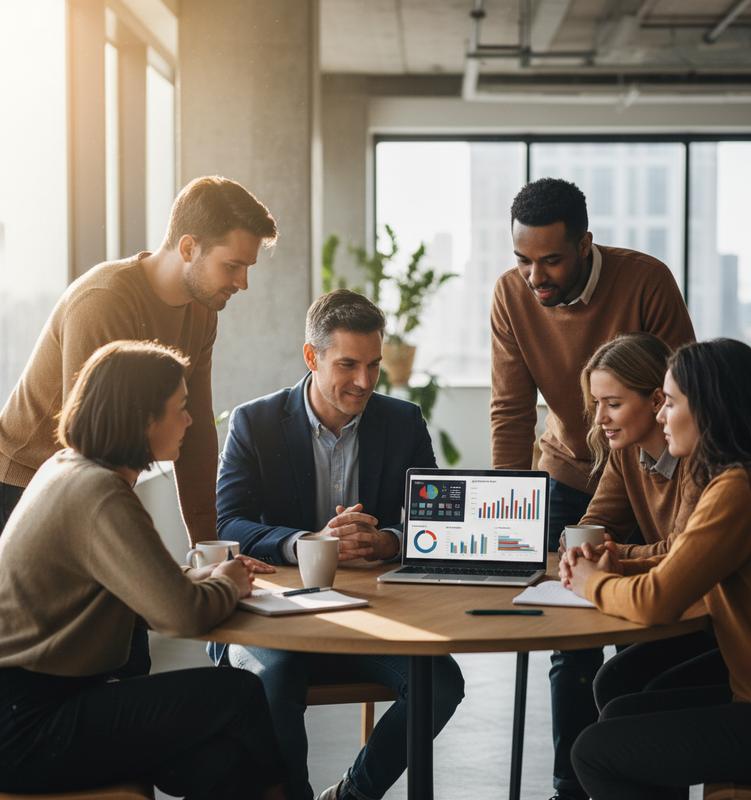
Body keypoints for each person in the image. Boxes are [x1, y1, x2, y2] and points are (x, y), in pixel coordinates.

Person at [0, 340, 286, 799]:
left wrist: (203, 578)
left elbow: (135, 581)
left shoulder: (68, 468)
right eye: (181, 408)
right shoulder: (100, 493)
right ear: (143, 418)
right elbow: (180, 616)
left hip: (30, 709)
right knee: (238, 692)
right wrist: (228, 583)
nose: (190, 421)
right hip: (30, 726)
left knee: (213, 764)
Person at [215, 289, 464, 800]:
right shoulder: (254, 423)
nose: (365, 381)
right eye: (348, 364)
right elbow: (229, 524)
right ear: (312, 356)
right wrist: (310, 543)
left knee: (441, 684)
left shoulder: (402, 421)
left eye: (373, 364)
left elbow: (436, 522)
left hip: (371, 616)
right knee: (276, 677)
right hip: (272, 617)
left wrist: (387, 542)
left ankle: (353, 795)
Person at [490, 177, 695, 799]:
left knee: (662, 607)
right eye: (523, 260)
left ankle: (638, 755)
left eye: (550, 260)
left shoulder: (645, 280)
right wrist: (510, 519)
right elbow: (510, 411)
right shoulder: (511, 294)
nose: (534, 277)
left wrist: (623, 552)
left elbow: (685, 394)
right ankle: (572, 786)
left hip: (652, 463)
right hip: (575, 469)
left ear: (584, 244)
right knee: (565, 629)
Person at [565, 339, 751, 799]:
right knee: (620, 711)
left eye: (669, 403)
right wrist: (618, 570)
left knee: (594, 751)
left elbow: (656, 602)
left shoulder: (740, 489)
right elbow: (682, 560)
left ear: (710, 409)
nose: (659, 415)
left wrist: (595, 582)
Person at [0, 175, 278, 544]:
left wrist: (208, 550)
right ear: (188, 247)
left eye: (248, 268)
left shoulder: (203, 312)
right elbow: (90, 448)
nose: (242, 283)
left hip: (85, 481)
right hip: (25, 483)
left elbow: (195, 434)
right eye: (232, 266)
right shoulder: (103, 301)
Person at [573, 332, 721, 711]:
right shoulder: (626, 452)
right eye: (597, 403)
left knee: (627, 687)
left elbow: (678, 550)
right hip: (679, 602)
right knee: (615, 680)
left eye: (613, 404)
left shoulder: (701, 459)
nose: (601, 418)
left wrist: (611, 555)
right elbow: (593, 526)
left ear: (657, 400)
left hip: (709, 617)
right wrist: (587, 548)